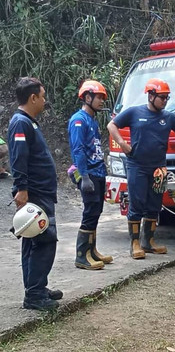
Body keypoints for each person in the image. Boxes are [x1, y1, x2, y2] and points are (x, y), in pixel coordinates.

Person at [107, 78, 175, 259]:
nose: (165, 101)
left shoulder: (169, 117)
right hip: (137, 167)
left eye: (167, 97)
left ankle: (148, 242)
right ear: (150, 96)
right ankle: (135, 243)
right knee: (137, 204)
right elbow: (112, 125)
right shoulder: (134, 112)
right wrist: (122, 143)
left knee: (154, 205)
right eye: (162, 97)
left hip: (159, 169)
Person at [8, 77, 62, 310]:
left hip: (40, 192)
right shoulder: (21, 123)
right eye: (42, 96)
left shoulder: (29, 122)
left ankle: (36, 287)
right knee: (44, 242)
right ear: (32, 98)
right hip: (35, 193)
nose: (44, 100)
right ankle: (34, 294)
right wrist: (22, 188)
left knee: (33, 241)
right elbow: (19, 158)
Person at [68, 80, 112, 270]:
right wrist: (84, 177)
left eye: (103, 98)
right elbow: (78, 150)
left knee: (96, 211)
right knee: (89, 212)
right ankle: (81, 255)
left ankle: (92, 250)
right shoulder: (78, 120)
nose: (102, 101)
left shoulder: (92, 119)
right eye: (99, 97)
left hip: (98, 171)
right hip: (88, 173)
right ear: (87, 97)